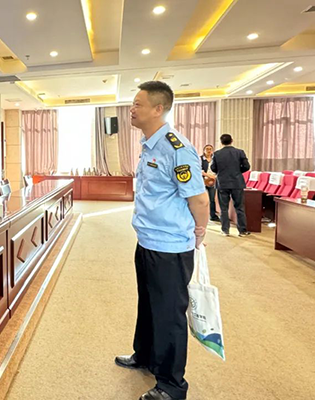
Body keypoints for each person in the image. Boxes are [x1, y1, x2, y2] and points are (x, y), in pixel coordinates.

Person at [114, 81, 209, 400]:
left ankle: (171, 385)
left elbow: (199, 199)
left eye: (138, 104)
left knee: (169, 314)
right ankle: (145, 355)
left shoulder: (176, 148)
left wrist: (200, 231)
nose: (132, 109)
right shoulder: (149, 144)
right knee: (149, 303)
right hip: (147, 239)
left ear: (158, 109)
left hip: (170, 247)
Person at [210, 134, 251, 237]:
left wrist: (222, 172)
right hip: (237, 182)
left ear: (221, 142)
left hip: (222, 183)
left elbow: (213, 168)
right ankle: (242, 231)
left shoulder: (217, 154)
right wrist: (237, 172)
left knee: (223, 208)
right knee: (239, 207)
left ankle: (225, 230)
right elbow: (247, 166)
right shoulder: (240, 152)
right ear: (232, 140)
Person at [200, 144, 219, 222]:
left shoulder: (215, 159)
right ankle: (201, 215)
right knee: (202, 199)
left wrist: (213, 177)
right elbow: (200, 171)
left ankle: (213, 215)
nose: (209, 150)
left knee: (212, 199)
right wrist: (208, 176)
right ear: (204, 150)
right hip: (202, 181)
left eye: (210, 149)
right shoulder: (200, 159)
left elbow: (218, 170)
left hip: (213, 181)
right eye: (207, 149)